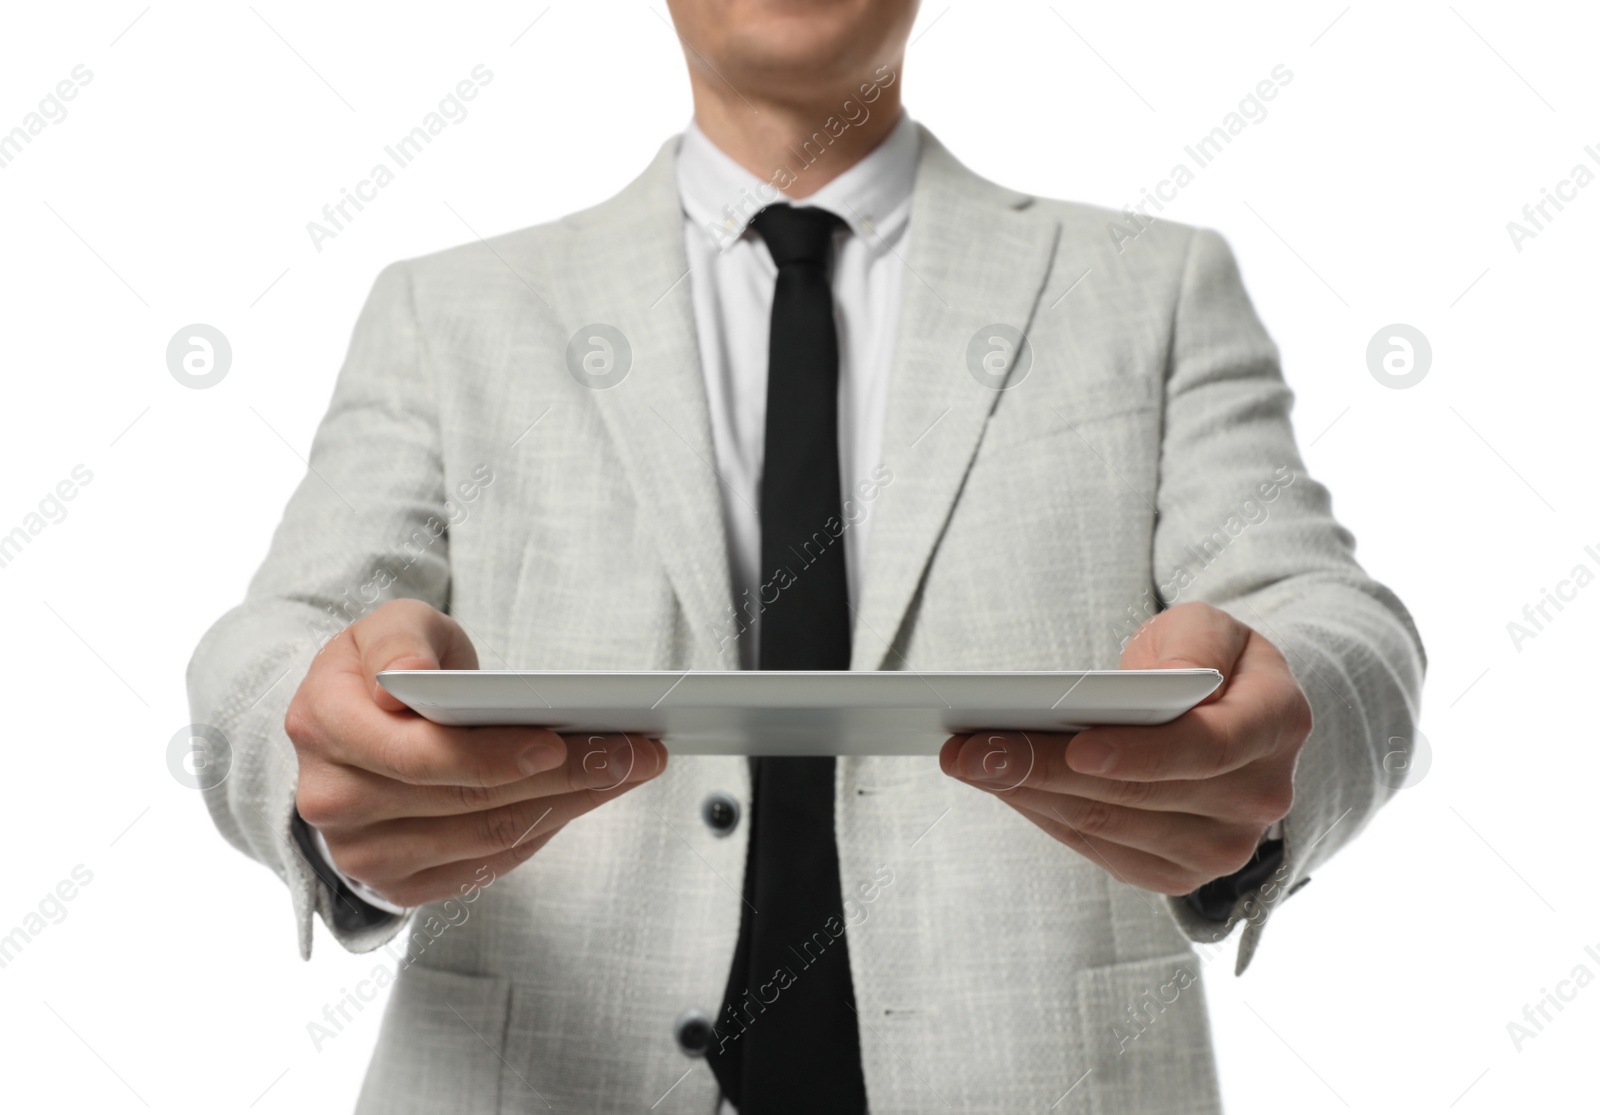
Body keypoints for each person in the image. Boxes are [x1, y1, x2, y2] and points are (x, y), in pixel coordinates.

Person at [187, 1, 1424, 1112]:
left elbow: (1330, 614)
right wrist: (315, 741)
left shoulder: (1150, 288)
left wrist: (1286, 722)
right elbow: (278, 639)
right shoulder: (449, 308)